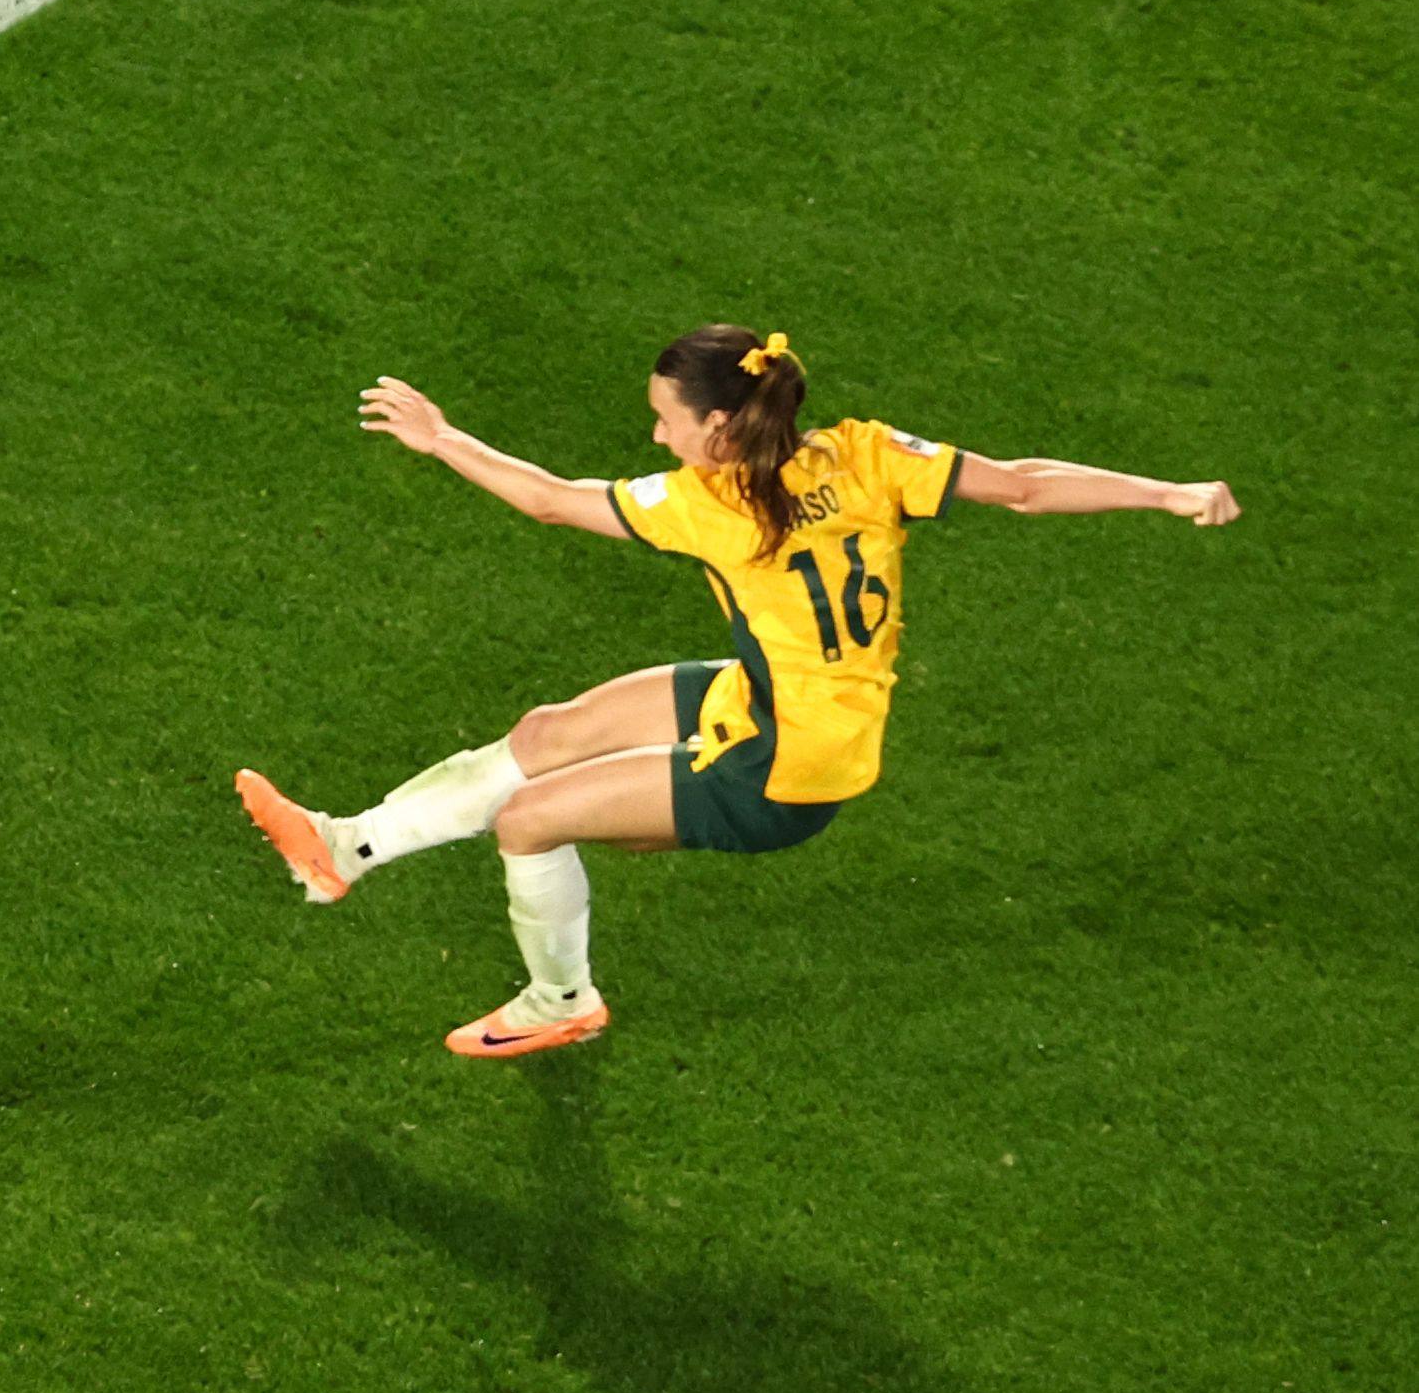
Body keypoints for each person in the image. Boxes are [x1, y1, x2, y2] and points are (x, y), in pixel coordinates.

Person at [235, 326, 1239, 1057]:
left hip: (783, 766)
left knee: (530, 820)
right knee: (553, 731)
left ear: (720, 422)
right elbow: (1021, 482)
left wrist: (441, 437)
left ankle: (559, 1001)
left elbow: (548, 501)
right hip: (789, 701)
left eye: (665, 423)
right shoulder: (863, 453)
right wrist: (1168, 491)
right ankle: (346, 848)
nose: (658, 439)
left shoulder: (707, 504)